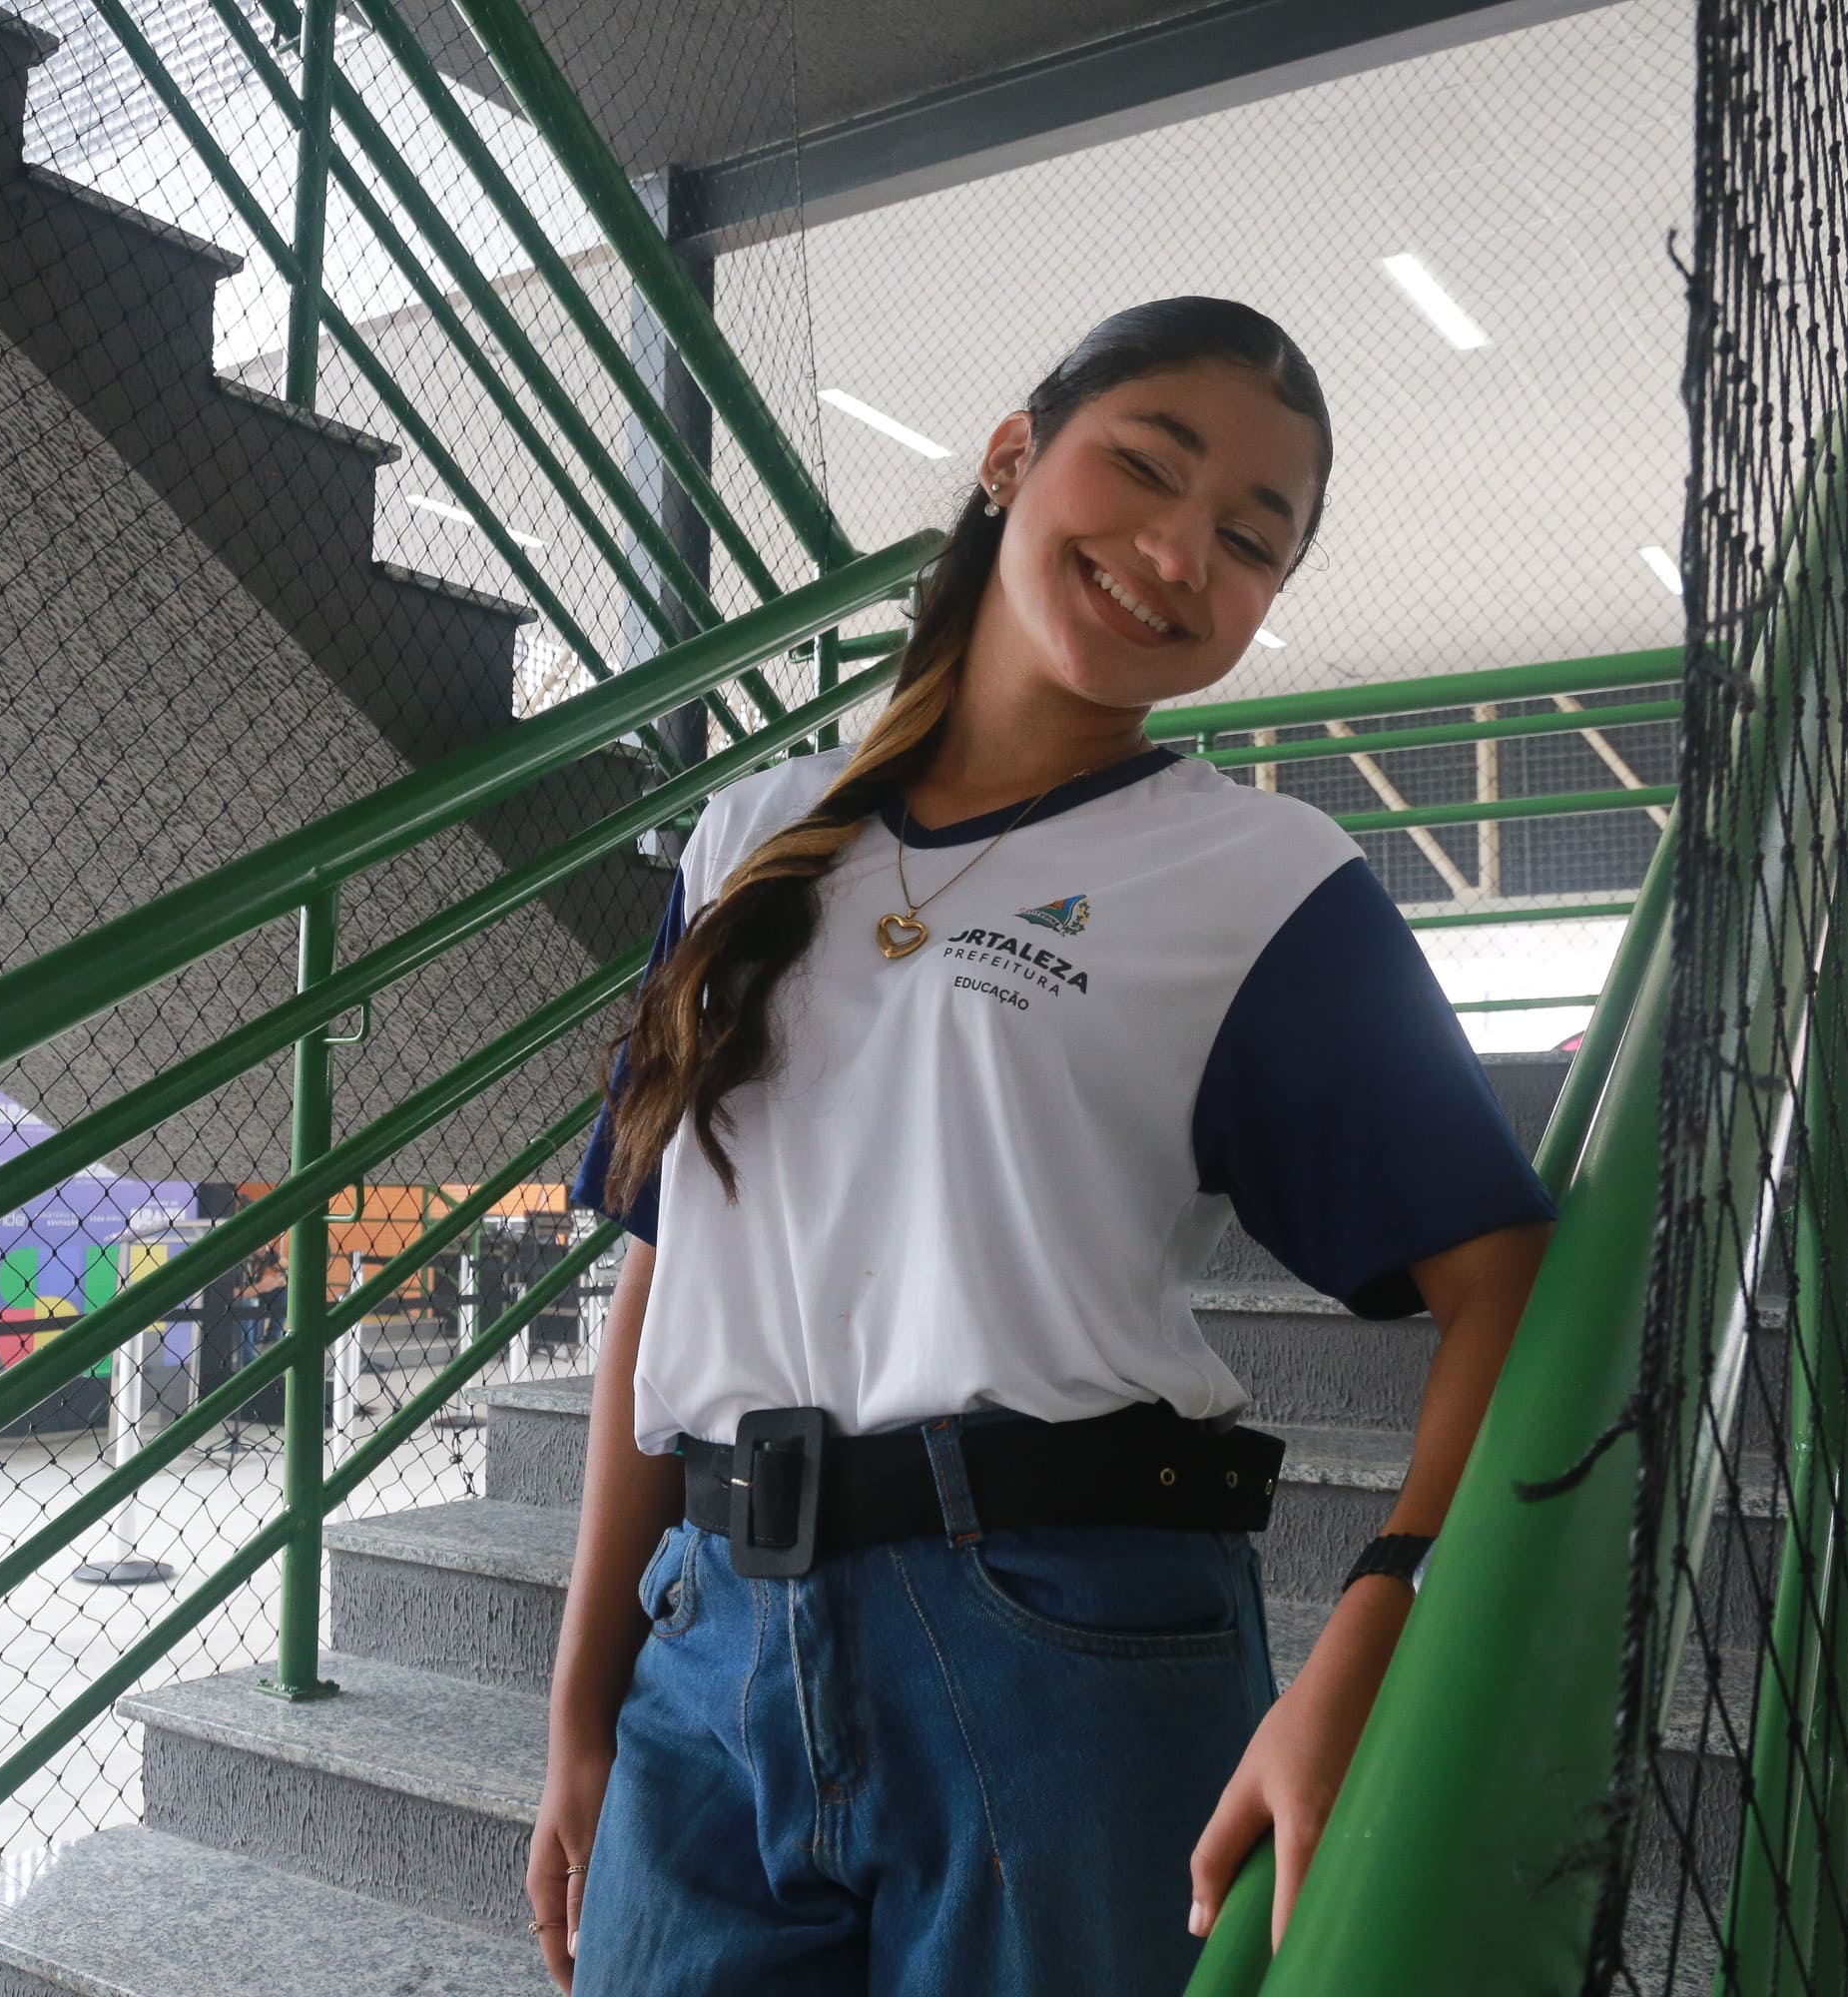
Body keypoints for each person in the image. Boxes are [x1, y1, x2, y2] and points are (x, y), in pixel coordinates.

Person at [531, 300, 1558, 1995]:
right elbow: (663, 1268)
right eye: (1146, 469)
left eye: (1251, 541)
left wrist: (1377, 1622)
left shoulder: (1263, 883)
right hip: (710, 1646)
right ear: (1011, 460)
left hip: (1062, 1654)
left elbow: (1502, 1281)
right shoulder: (746, 836)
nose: (1178, 553)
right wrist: (581, 1712)